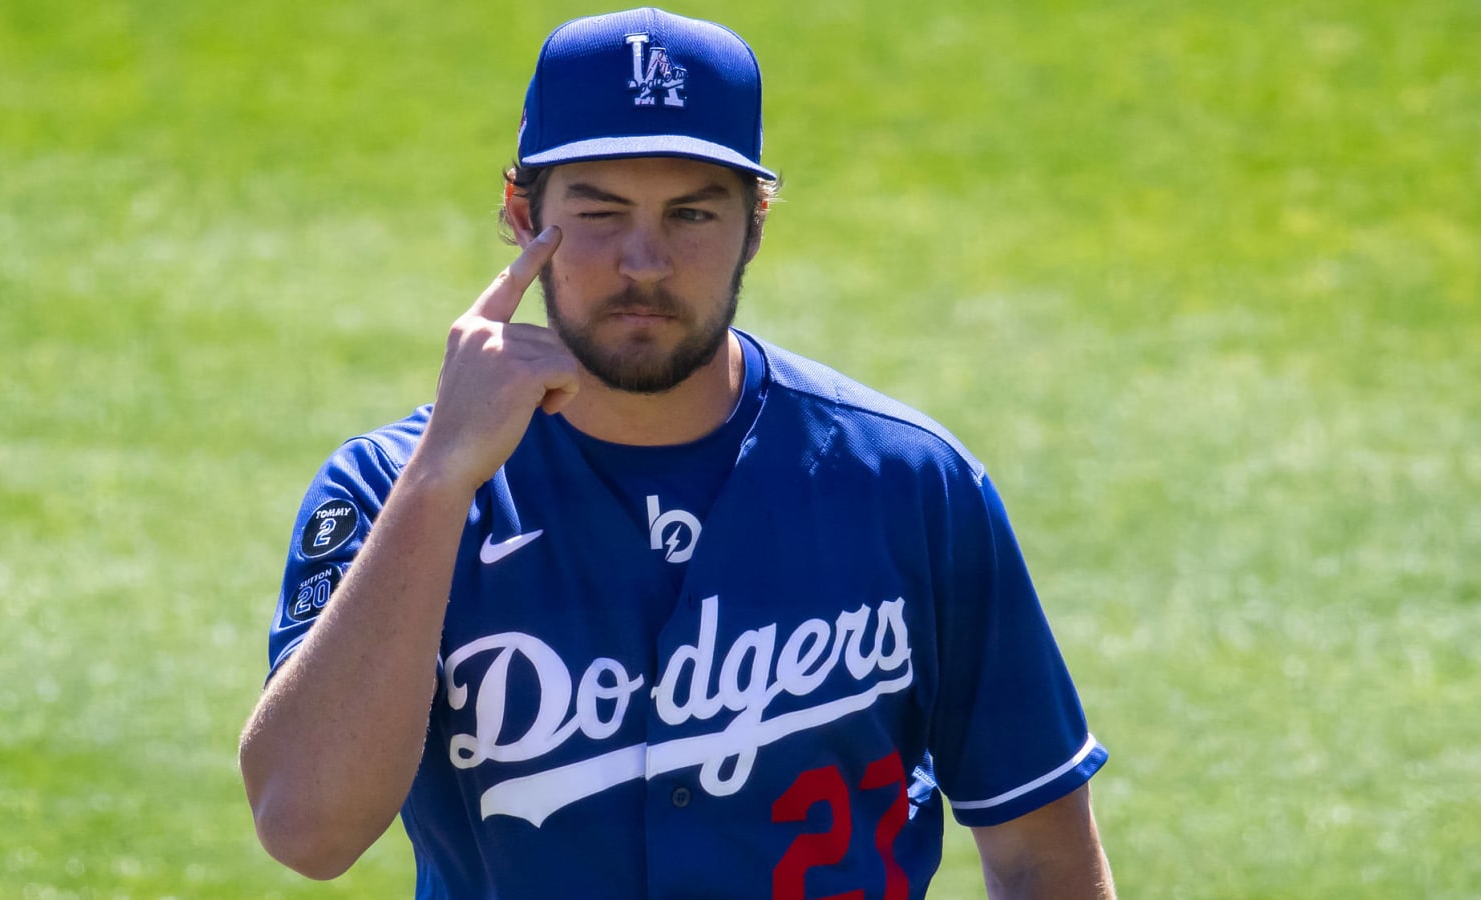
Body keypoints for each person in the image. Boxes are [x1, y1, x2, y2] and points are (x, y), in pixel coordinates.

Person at [239, 7, 1114, 898]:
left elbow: (1042, 854)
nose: (645, 261)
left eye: (692, 213)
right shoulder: (391, 487)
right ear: (520, 212)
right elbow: (307, 832)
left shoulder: (910, 485)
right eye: (599, 211)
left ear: (756, 222)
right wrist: (438, 480)